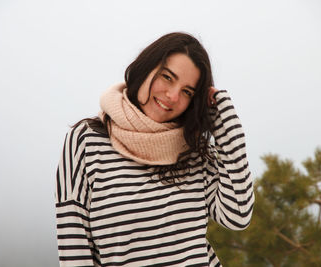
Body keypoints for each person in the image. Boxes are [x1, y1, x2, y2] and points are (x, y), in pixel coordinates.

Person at [55, 32, 254, 267]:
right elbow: (74, 249)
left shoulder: (193, 152)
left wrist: (226, 125)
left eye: (188, 92)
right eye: (167, 77)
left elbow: (238, 215)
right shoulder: (86, 141)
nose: (172, 96)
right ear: (147, 68)